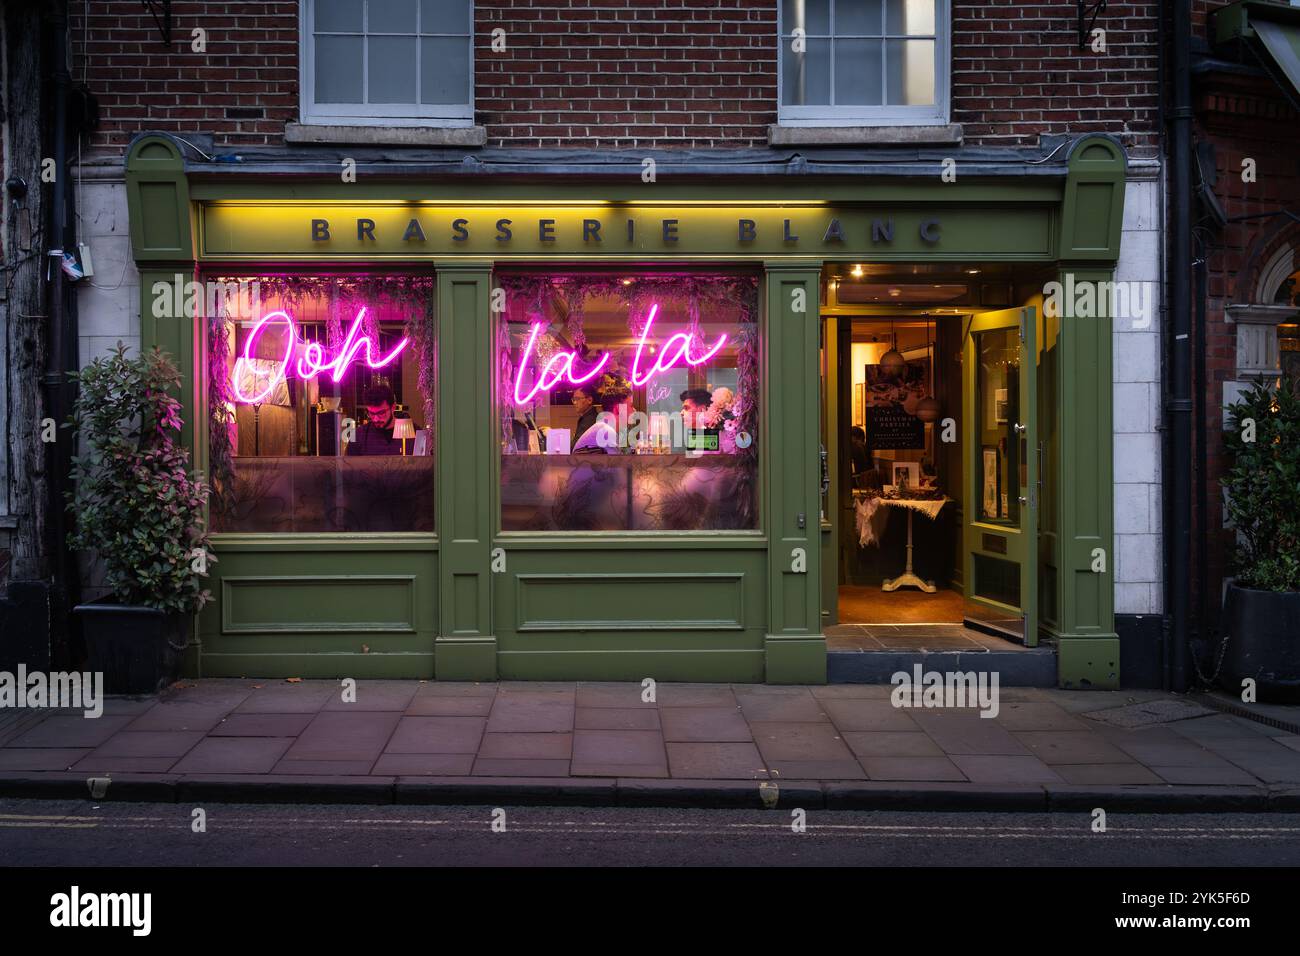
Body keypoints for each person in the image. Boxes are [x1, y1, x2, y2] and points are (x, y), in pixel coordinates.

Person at [346, 383, 403, 456]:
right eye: (371, 413)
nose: (376, 419)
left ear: (393, 407)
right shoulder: (359, 436)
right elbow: (350, 466)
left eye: (381, 413)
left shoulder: (412, 432)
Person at [574, 389, 631, 454]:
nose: (633, 411)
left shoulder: (602, 427)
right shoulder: (606, 431)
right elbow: (618, 462)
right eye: (630, 406)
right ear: (618, 409)